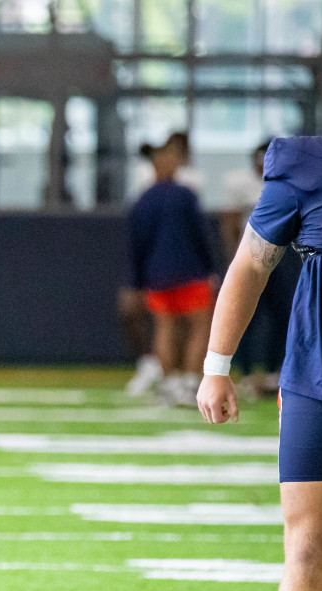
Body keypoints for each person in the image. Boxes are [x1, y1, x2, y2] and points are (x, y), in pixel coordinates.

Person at [198, 39, 322, 591]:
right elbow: (249, 267)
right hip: (320, 377)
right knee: (308, 544)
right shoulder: (304, 163)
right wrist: (215, 363)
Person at [127, 134, 216, 407]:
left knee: (164, 328)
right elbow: (201, 236)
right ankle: (189, 382)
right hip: (191, 272)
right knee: (200, 327)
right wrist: (211, 268)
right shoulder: (185, 195)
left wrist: (138, 281)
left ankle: (169, 383)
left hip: (158, 275)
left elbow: (136, 245)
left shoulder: (142, 200)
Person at [222, 140, 300, 399]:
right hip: (251, 257)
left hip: (279, 257)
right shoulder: (241, 183)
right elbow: (231, 222)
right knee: (245, 316)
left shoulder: (285, 184)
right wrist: (236, 257)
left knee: (282, 315)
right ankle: (244, 373)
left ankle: (270, 372)